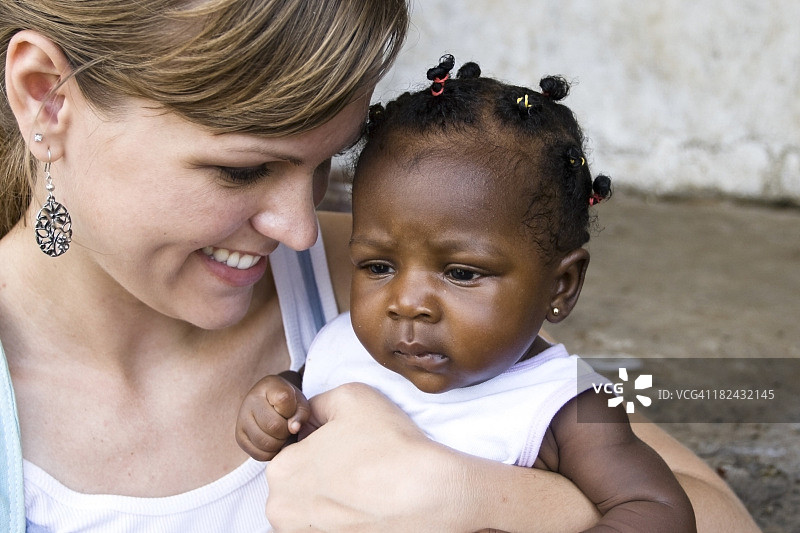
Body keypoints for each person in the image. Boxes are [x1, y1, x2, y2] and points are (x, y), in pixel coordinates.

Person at [0, 2, 759, 532]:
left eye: (327, 164)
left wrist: (471, 497)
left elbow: (715, 514)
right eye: (241, 170)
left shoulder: (365, 281)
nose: (300, 227)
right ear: (45, 98)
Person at [237, 55, 697, 531]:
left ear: (560, 286)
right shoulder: (343, 346)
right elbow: (300, 392)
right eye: (378, 266)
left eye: (460, 273)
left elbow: (657, 512)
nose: (407, 302)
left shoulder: (561, 406)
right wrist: (276, 403)